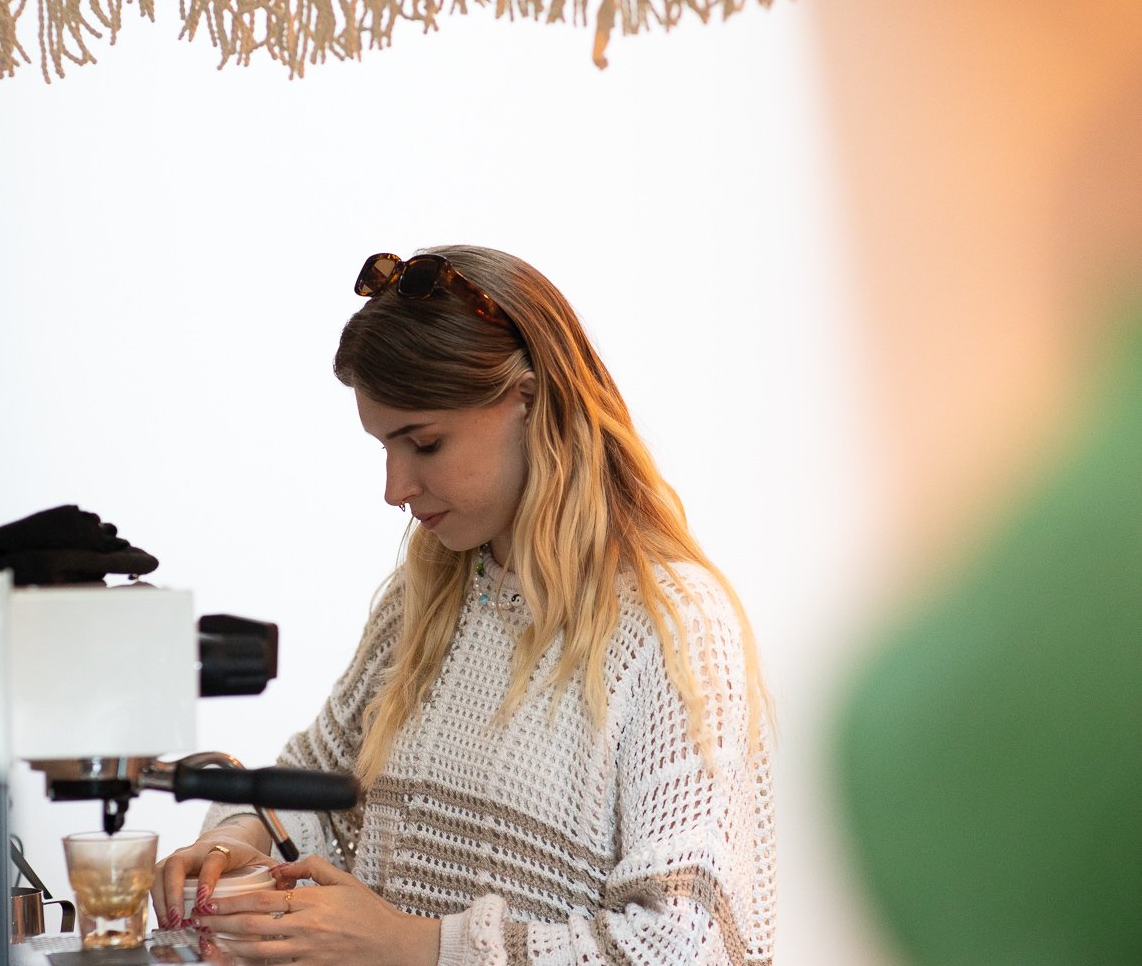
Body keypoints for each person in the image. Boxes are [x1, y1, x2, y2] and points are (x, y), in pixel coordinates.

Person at [151, 245, 777, 965]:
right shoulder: (425, 599)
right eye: (384, 448)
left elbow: (684, 946)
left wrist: (412, 945)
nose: (395, 488)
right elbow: (317, 790)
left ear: (530, 400)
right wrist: (239, 838)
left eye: (423, 443)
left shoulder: (673, 627)